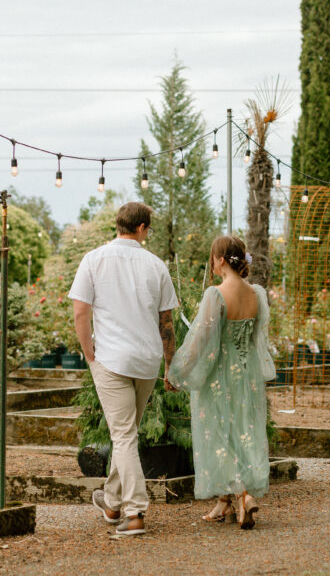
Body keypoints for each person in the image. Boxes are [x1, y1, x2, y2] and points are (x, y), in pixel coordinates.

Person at [68, 202, 179, 536]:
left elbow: (80, 312)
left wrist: (88, 352)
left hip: (111, 359)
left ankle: (134, 512)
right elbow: (166, 321)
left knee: (124, 435)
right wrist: (170, 364)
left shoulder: (93, 259)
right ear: (142, 228)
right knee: (127, 433)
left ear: (119, 225)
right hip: (146, 361)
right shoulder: (156, 265)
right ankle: (113, 502)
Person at [167, 235, 274, 529]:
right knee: (242, 433)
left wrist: (177, 372)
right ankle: (225, 502)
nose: (212, 263)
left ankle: (243, 495)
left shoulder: (216, 294)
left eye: (213, 258)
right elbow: (257, 339)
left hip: (220, 377)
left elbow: (200, 339)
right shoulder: (256, 294)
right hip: (248, 376)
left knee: (219, 436)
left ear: (222, 260)